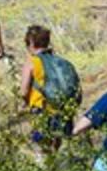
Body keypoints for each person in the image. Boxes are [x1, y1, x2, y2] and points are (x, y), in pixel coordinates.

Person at [20, 25, 75, 153]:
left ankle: (46, 170)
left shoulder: (32, 62)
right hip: (63, 109)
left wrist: (24, 102)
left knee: (41, 147)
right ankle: (56, 168)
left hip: (41, 109)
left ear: (32, 43)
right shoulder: (61, 62)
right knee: (57, 144)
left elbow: (23, 91)